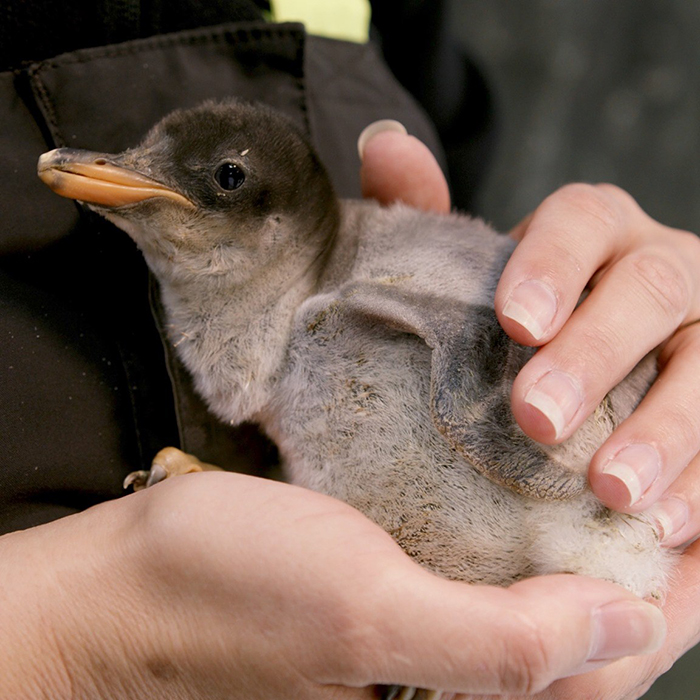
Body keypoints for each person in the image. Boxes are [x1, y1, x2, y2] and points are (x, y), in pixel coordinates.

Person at [1, 1, 699, 698]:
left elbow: (481, 280)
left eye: (222, 181)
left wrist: (638, 334)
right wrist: (63, 646)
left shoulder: (339, 315)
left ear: (276, 223)